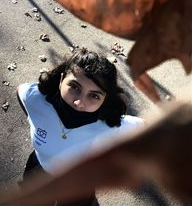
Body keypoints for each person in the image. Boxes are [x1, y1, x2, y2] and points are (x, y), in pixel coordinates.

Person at [17, 48, 143, 206]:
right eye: (74, 87)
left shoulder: (114, 126)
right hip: (38, 174)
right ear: (62, 79)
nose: (79, 103)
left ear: (105, 99)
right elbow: (21, 93)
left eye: (94, 95)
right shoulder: (35, 99)